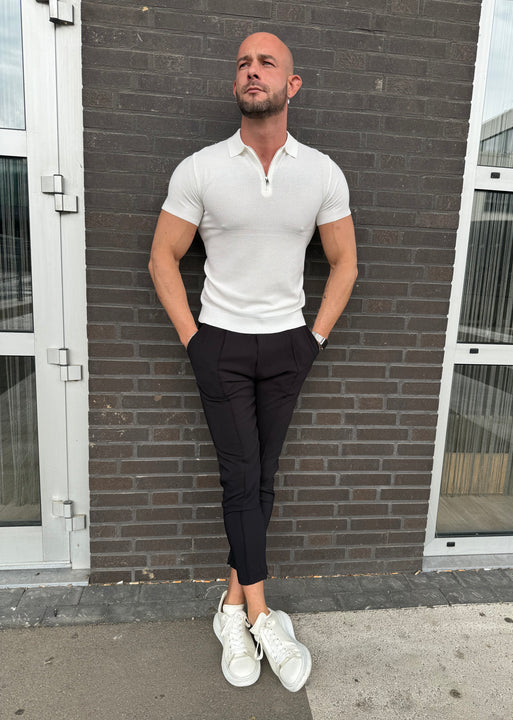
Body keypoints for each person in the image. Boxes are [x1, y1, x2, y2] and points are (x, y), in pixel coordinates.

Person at [149, 32, 357, 692]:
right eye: (243, 63)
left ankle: (231, 605)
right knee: (242, 477)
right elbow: (161, 258)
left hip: (288, 345)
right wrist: (195, 340)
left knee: (262, 477)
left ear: (292, 85)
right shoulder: (201, 170)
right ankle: (263, 617)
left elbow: (346, 263)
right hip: (222, 346)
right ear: (235, 82)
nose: (252, 71)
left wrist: (313, 339)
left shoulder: (320, 173)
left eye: (267, 63)